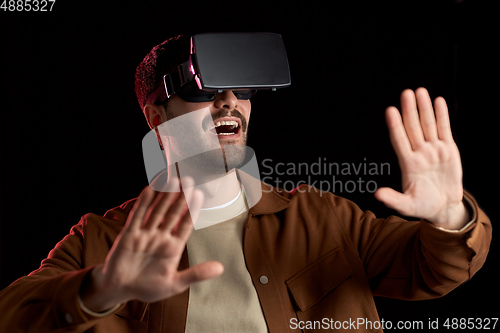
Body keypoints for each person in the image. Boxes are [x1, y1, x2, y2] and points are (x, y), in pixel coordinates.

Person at [0, 34, 491, 333]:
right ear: (156, 118)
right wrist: (100, 288)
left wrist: (449, 216)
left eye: (241, 89)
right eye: (205, 90)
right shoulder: (103, 239)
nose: (229, 101)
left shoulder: (323, 218)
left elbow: (436, 269)